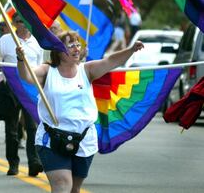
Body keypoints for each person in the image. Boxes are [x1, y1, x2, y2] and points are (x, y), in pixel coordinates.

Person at [16, 30, 144, 193]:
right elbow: (27, 75)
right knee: (62, 185)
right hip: (52, 138)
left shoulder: (87, 70)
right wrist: (21, 59)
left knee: (74, 189)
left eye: (78, 44)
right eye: (70, 45)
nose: (76, 49)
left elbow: (111, 61)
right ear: (58, 51)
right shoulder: (47, 71)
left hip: (84, 139)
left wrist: (131, 50)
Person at [0, 13, 43, 177]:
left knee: (32, 127)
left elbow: (39, 67)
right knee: (12, 129)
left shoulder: (36, 42)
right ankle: (13, 163)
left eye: (27, 21)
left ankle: (34, 161)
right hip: (10, 89)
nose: (24, 24)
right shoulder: (6, 39)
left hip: (30, 90)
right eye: (21, 21)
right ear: (14, 23)